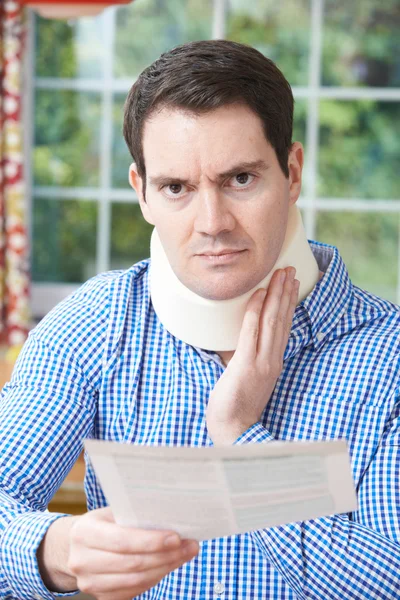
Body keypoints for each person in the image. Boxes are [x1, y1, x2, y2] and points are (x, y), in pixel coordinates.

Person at [0, 39, 399, 600]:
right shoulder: (97, 324)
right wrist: (56, 551)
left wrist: (238, 435)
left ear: (292, 171)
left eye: (240, 179)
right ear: (142, 193)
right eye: (176, 188)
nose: (212, 223)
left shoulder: (390, 355)